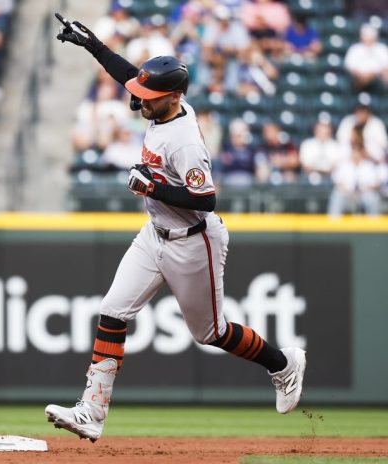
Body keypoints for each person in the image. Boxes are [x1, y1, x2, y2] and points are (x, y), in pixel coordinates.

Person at [45, 16, 307, 443]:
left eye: (150, 96)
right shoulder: (164, 105)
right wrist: (93, 46)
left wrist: (153, 187)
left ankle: (283, 365)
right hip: (155, 233)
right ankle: (92, 411)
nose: (140, 100)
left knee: (211, 333)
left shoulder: (183, 140)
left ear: (174, 97)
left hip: (193, 240)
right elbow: (130, 75)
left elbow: (207, 199)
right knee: (113, 310)